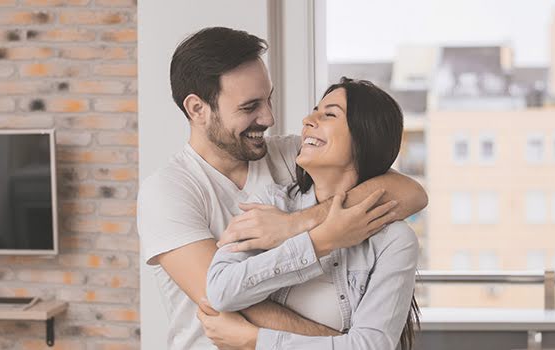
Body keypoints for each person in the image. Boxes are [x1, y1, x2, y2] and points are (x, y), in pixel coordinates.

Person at [137, 27, 427, 349]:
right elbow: (230, 302)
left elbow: (410, 192)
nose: (269, 118)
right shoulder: (166, 193)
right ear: (197, 109)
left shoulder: (294, 157)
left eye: (268, 99)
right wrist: (352, 344)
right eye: (250, 107)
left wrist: (295, 224)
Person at [202, 78, 419, 350]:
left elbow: (372, 345)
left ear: (365, 137)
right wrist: (319, 242)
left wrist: (255, 340)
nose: (307, 120)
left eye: (329, 115)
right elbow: (220, 291)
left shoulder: (394, 240)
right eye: (315, 111)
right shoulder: (270, 205)